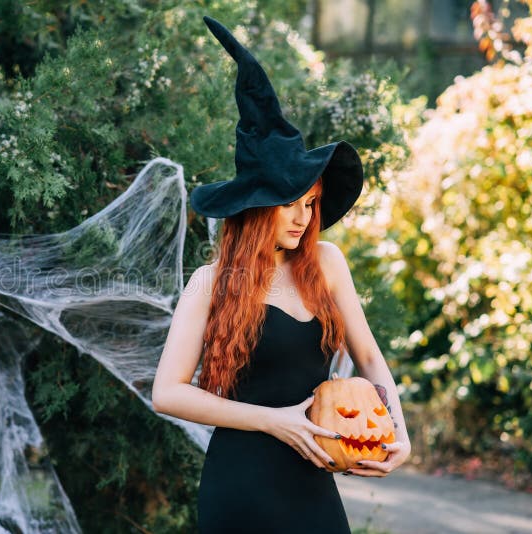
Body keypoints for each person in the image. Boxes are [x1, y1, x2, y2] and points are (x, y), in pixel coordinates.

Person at [151, 16, 411, 533]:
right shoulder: (211, 282)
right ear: (255, 206)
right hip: (239, 486)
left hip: (311, 481)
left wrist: (399, 437)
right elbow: (168, 392)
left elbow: (371, 362)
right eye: (288, 203)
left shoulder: (327, 264)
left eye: (310, 203)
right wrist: (276, 420)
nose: (302, 217)